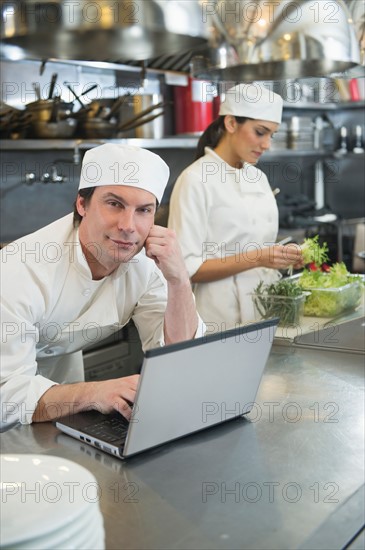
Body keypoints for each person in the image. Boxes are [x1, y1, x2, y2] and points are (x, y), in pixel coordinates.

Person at [1, 144, 203, 431]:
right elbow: (6, 394)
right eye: (114, 204)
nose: (128, 226)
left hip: (63, 408)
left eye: (143, 210)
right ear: (82, 204)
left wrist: (179, 280)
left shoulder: (145, 263)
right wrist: (94, 392)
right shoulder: (19, 270)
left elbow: (180, 359)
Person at [168, 83, 304, 329]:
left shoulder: (257, 177)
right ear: (231, 123)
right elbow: (186, 268)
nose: (266, 144)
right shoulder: (195, 179)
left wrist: (281, 257)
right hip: (216, 315)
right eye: (260, 132)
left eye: (271, 135)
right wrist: (259, 257)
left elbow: (260, 244)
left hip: (265, 307)